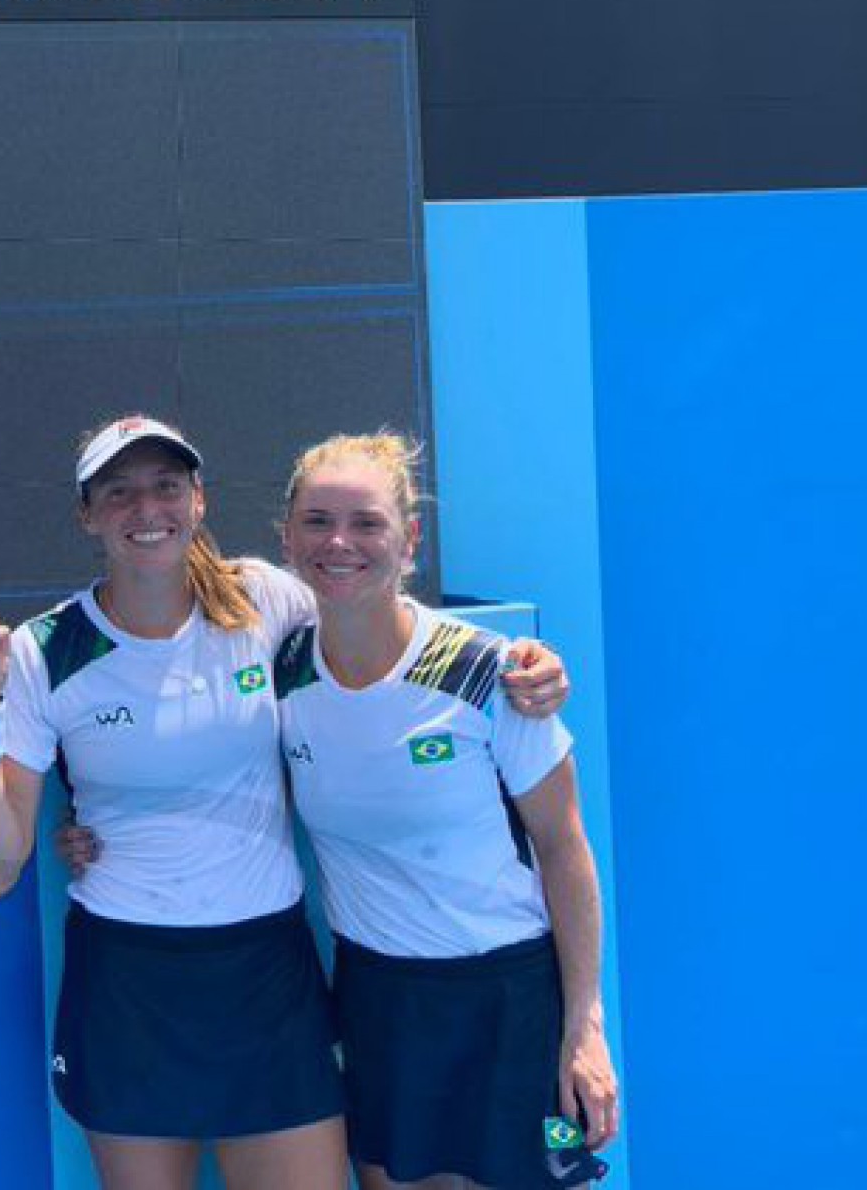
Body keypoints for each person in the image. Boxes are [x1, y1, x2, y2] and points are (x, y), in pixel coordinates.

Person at [0, 415, 571, 1190]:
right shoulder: (47, 651)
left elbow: (383, 627)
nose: (147, 509)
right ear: (88, 513)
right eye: (120, 492)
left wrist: (519, 665)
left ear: (199, 499)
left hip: (267, 977)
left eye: (167, 486)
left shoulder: (264, 600)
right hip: (126, 985)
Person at [273, 433, 617, 1190]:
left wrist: (584, 1025)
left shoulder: (492, 673)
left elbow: (564, 846)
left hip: (511, 1000)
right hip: (379, 1001)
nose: (340, 542)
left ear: (410, 539)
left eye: (366, 522)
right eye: (318, 520)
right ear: (287, 537)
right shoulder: (280, 672)